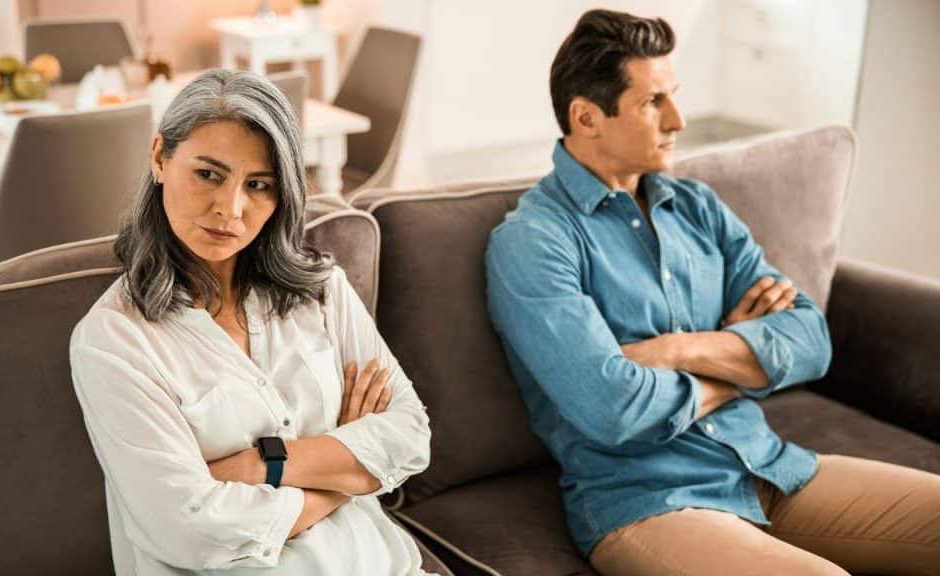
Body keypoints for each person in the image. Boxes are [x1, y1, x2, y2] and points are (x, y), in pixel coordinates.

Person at [485, 9, 940, 576]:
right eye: (653, 102)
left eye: (673, 95)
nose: (678, 119)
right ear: (586, 117)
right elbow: (614, 410)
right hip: (649, 504)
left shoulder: (696, 207)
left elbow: (810, 340)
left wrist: (681, 350)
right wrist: (741, 362)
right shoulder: (534, 242)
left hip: (766, 467)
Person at [69, 69, 435, 575]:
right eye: (209, 174)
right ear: (159, 158)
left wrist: (261, 466)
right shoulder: (114, 341)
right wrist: (344, 471)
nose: (231, 208)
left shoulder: (322, 289)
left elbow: (411, 436)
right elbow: (189, 531)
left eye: (258, 184)